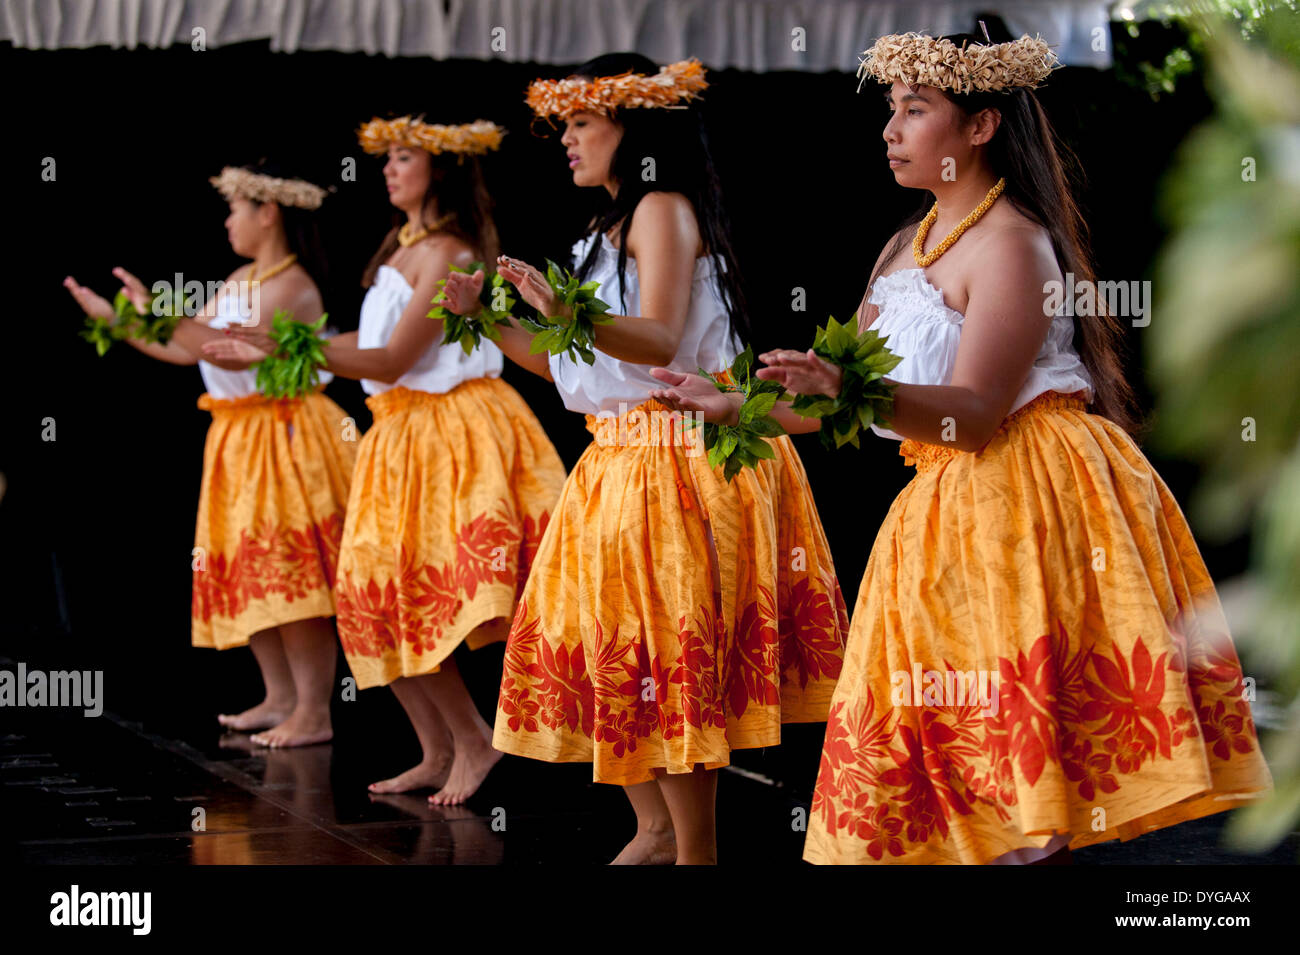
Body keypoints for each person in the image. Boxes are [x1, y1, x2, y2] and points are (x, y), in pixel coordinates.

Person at [650, 31, 1273, 864]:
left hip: (1032, 497)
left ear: (979, 128)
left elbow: (975, 413)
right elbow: (835, 404)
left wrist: (851, 391)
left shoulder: (1014, 244)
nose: (890, 130)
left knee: (1019, 764)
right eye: (890, 111)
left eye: (916, 111)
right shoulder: (903, 248)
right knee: (949, 761)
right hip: (943, 514)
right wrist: (734, 405)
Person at [440, 55, 848, 864]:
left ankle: (696, 848)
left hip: (680, 460)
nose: (565, 139)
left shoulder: (661, 208)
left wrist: (566, 313)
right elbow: (572, 366)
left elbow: (658, 338)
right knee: (613, 653)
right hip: (619, 460)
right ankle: (654, 829)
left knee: (668, 657)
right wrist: (487, 319)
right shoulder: (603, 229)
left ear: (635, 128)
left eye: (581, 123)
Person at [204, 117, 566, 804]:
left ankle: (475, 740)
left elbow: (395, 359)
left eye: (405, 158)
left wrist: (290, 345)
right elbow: (376, 358)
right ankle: (438, 749)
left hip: (450, 434)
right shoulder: (403, 248)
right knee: (372, 604)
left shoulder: (453, 253)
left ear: (445, 170)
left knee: (419, 599)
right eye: (388, 157)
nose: (389, 169)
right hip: (397, 435)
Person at [64, 161, 354, 748]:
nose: (227, 222)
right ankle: (278, 697)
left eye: (234, 210)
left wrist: (152, 314)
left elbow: (220, 352)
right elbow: (188, 350)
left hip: (284, 437)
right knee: (248, 567)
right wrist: (121, 324)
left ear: (266, 212)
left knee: (289, 575)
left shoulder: (291, 288)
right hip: (239, 439)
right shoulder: (242, 277)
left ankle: (314, 712)